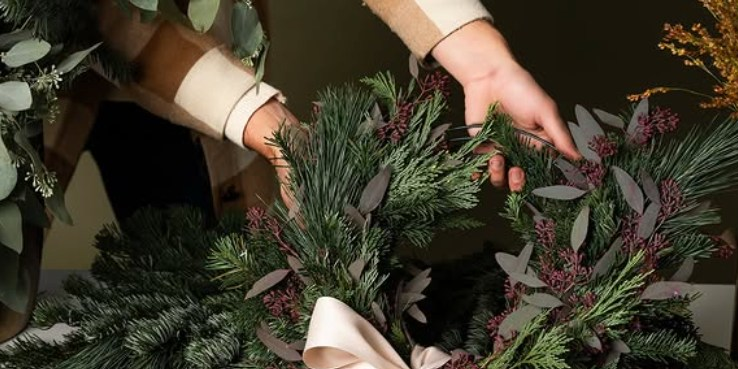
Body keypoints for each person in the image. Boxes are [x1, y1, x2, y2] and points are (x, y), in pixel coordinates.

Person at [47, 0, 580, 215]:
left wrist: (482, 61)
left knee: (215, 295)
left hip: (205, 88)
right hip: (31, 79)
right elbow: (96, 10)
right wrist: (267, 122)